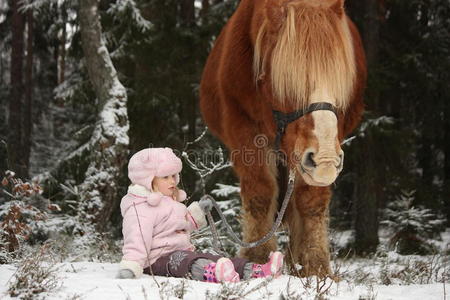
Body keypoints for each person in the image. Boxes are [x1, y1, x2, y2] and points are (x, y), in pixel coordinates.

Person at [116, 147, 284, 282]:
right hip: (156, 260)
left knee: (213, 257)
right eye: (165, 177)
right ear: (148, 179)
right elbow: (136, 237)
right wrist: (131, 265)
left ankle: (257, 270)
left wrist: (198, 212)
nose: (173, 181)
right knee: (189, 262)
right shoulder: (140, 207)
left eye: (174, 176)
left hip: (181, 251)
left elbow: (182, 224)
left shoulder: (169, 201)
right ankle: (214, 273)